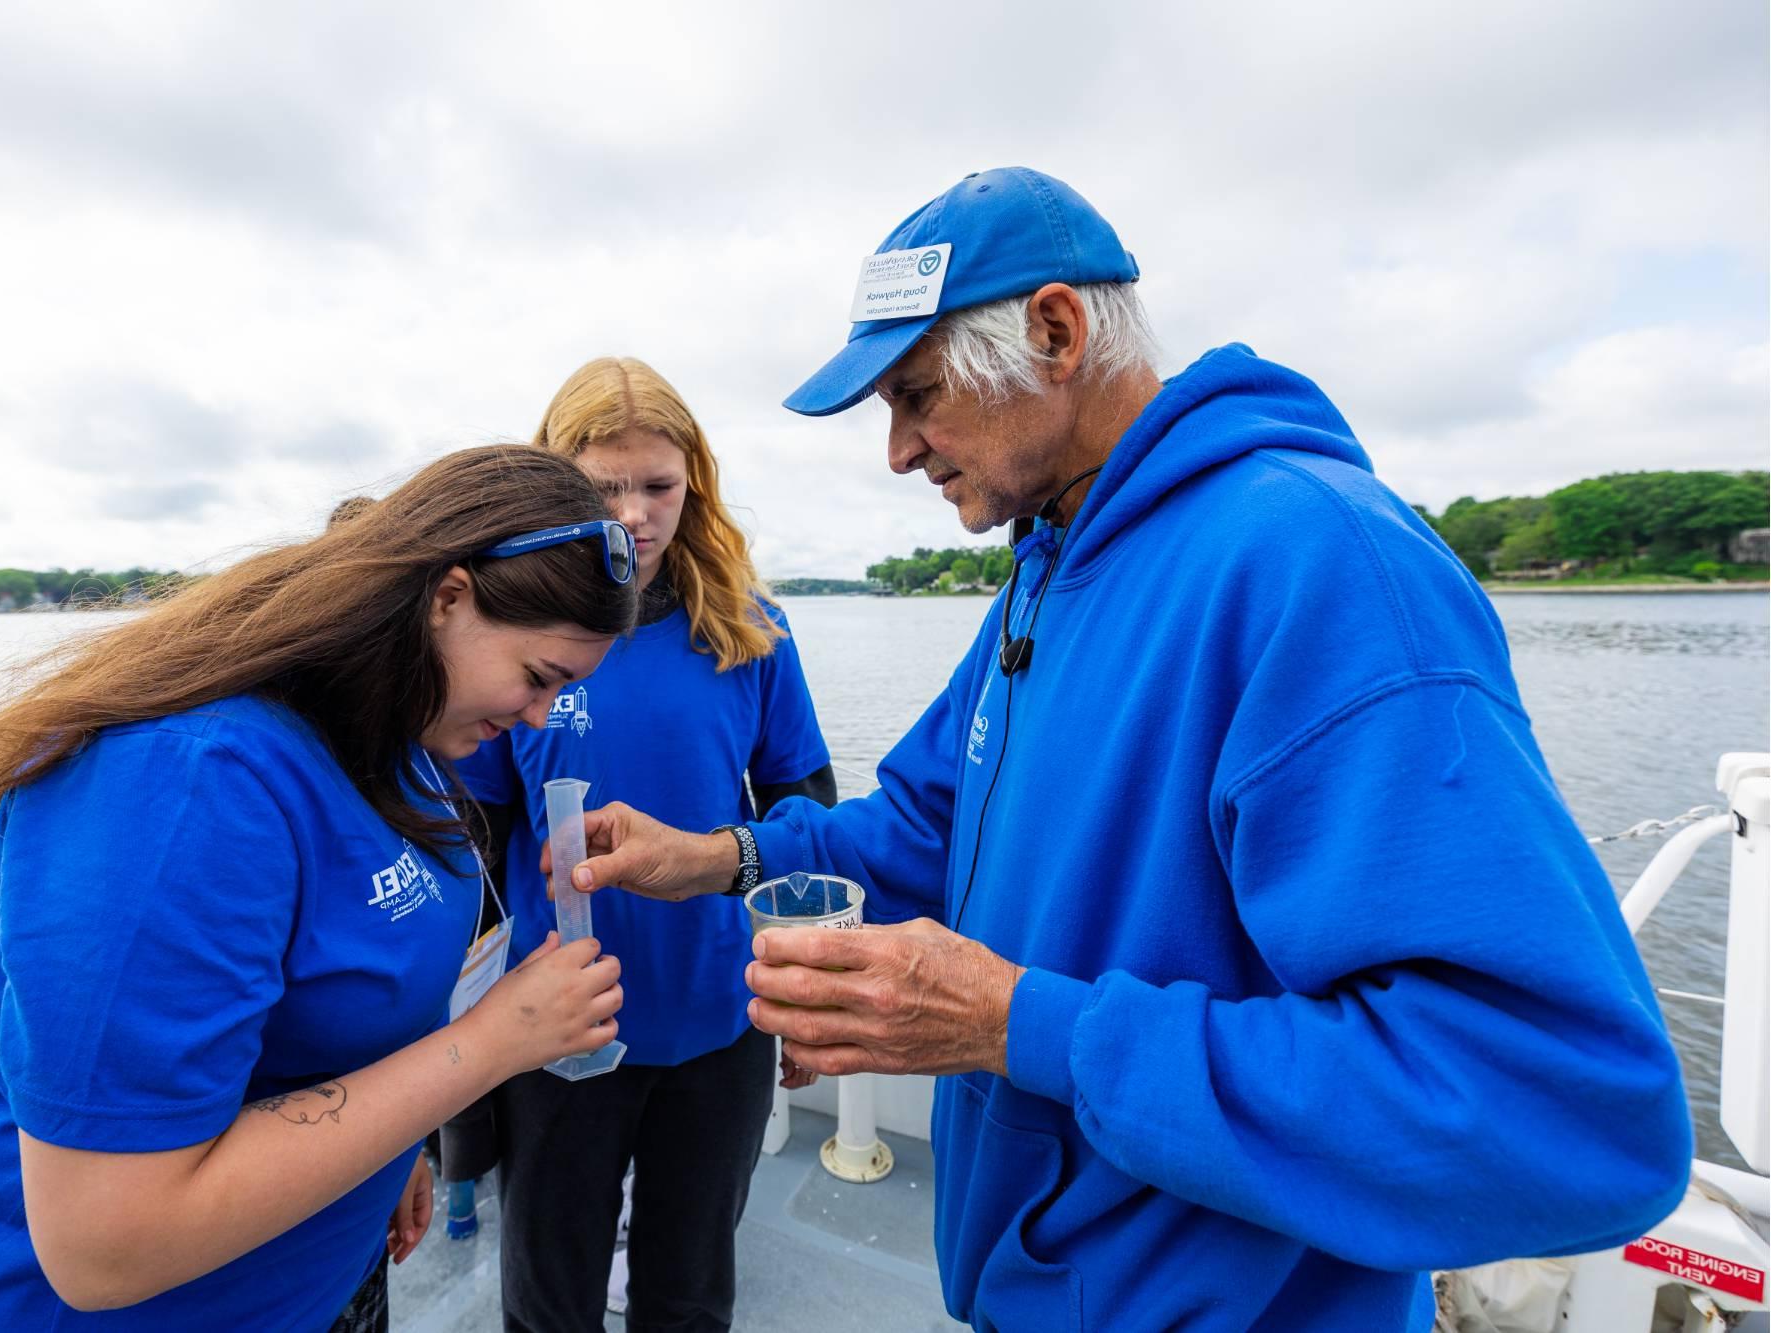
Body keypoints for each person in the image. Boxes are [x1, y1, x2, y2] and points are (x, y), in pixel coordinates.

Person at [551, 169, 1695, 1332]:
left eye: (917, 394)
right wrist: (708, 855)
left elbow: (1560, 1111)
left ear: (1054, 330)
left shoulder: (1319, 565)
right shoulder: (1047, 576)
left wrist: (1016, 1024)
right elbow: (920, 825)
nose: (897, 450)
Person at [0, 445, 638, 1332]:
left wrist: (389, 1150)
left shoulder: (399, 731)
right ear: (447, 598)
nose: (539, 718)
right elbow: (104, 1244)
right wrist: (493, 1043)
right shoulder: (180, 787)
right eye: (540, 678)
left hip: (319, 1285)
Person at [453, 356, 836, 1332]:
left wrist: (803, 980)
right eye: (601, 488)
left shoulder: (751, 632)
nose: (632, 514)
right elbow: (469, 836)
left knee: (688, 1299)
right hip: (556, 1030)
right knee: (548, 1303)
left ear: (693, 484)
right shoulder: (511, 638)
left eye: (658, 485)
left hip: (717, 1025)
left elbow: (806, 803)